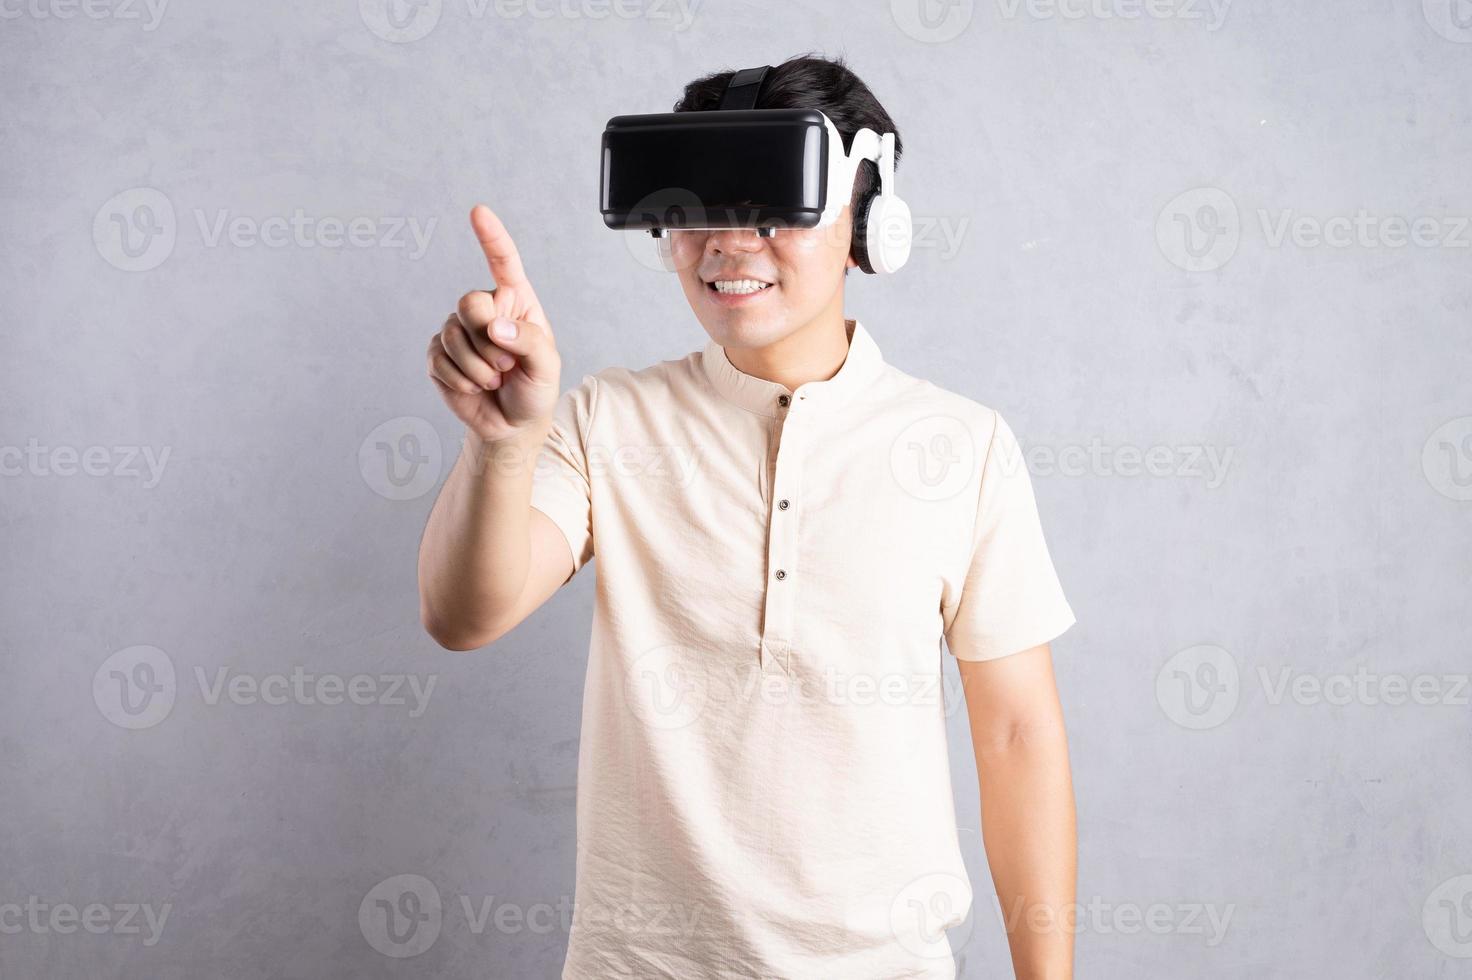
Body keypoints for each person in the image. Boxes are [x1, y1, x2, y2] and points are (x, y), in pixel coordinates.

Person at [418, 53, 1078, 980]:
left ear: (869, 220)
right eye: (701, 209)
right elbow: (463, 615)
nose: (728, 245)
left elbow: (1017, 739)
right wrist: (501, 444)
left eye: (773, 211)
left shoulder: (963, 448)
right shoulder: (611, 420)